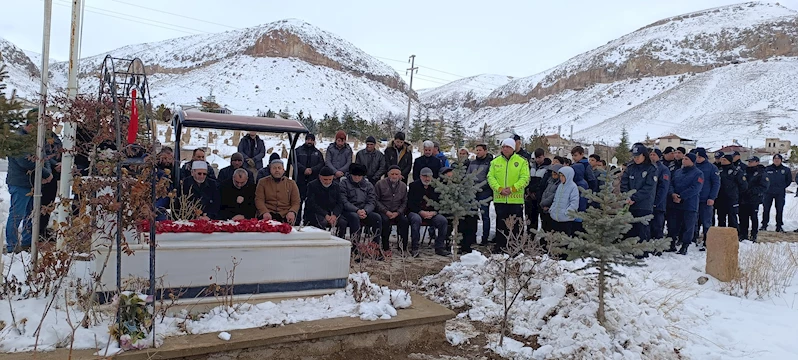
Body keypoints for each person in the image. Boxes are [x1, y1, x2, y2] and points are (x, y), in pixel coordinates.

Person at [5, 124, 53, 252]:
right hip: (20, 183)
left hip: (32, 183)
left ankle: (27, 242)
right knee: (17, 215)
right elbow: (25, 161)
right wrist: (46, 173)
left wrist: (47, 172)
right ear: (30, 125)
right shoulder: (17, 139)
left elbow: (44, 157)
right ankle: (12, 246)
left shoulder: (35, 139)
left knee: (30, 214)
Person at [487, 138, 531, 253]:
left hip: (515, 200)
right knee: (500, 223)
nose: (505, 149)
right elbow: (490, 177)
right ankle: (500, 247)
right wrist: (499, 189)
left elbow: (525, 178)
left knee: (516, 225)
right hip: (500, 199)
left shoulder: (522, 161)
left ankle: (515, 247)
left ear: (513, 148)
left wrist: (513, 189)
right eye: (504, 146)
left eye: (508, 147)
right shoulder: (495, 162)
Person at [407, 167, 450, 257]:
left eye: (429, 176)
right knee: (416, 219)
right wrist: (420, 212)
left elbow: (441, 202)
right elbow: (410, 203)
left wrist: (434, 212)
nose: (427, 178)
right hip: (417, 212)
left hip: (432, 213)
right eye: (424, 176)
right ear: (420, 176)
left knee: (443, 221)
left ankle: (439, 247)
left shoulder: (436, 186)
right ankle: (415, 247)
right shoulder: (413, 186)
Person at [620, 144, 658, 242]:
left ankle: (643, 251)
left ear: (644, 155)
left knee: (642, 228)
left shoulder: (651, 169)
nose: (635, 158)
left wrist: (634, 198)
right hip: (629, 203)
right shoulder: (630, 167)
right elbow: (624, 183)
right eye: (634, 156)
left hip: (644, 204)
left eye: (638, 156)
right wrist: (627, 196)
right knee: (630, 228)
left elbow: (648, 188)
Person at [667, 153, 703, 255]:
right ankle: (671, 244)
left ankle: (685, 246)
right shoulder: (678, 172)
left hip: (689, 204)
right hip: (675, 204)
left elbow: (695, 188)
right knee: (673, 225)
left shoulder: (698, 173)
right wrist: (673, 194)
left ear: (692, 161)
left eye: (686, 159)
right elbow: (671, 184)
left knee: (688, 226)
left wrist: (681, 196)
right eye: (683, 159)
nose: (684, 160)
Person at [337, 163, 381, 244]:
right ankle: (355, 246)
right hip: (348, 211)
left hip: (364, 211)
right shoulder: (344, 183)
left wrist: (365, 211)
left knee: (377, 218)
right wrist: (356, 210)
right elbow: (344, 201)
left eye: (359, 176)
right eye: (355, 175)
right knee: (354, 217)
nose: (357, 177)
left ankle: (376, 246)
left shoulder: (368, 185)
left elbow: (371, 201)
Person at [375, 165, 410, 252]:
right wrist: (385, 211)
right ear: (388, 174)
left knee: (404, 221)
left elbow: (405, 202)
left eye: (396, 174)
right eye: (392, 174)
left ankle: (403, 247)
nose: (394, 176)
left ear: (400, 175)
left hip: (397, 211)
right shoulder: (380, 184)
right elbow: (376, 200)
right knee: (385, 221)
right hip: (383, 211)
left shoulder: (403, 186)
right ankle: (385, 246)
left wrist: (398, 212)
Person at [255, 159, 300, 224]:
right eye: (274, 168)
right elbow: (259, 200)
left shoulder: (291, 183)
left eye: (279, 168)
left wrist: (292, 212)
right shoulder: (262, 182)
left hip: (285, 215)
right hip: (267, 215)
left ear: (283, 170)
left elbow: (296, 202)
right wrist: (264, 212)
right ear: (270, 170)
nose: (277, 170)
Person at [466, 144, 494, 244]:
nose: (478, 152)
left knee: (485, 215)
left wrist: (482, 186)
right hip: (472, 192)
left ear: (485, 151)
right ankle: (471, 237)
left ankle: (484, 238)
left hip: (485, 192)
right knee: (472, 215)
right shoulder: (472, 163)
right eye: (476, 150)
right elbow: (468, 175)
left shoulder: (490, 163)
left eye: (480, 150)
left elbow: (490, 177)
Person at [295, 133, 324, 222]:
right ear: (305, 140)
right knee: (298, 201)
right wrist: (304, 169)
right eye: (308, 139)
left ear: (314, 141)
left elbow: (321, 164)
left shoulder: (318, 153)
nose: (309, 142)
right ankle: (296, 220)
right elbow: (294, 162)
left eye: (311, 140)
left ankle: (307, 221)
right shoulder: (298, 151)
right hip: (300, 180)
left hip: (312, 180)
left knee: (310, 202)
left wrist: (312, 170)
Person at [694, 148, 720, 248]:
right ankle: (694, 239)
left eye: (700, 157)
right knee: (694, 221)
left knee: (706, 222)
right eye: (696, 157)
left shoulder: (712, 168)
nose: (698, 159)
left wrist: (712, 197)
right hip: (694, 199)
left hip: (706, 199)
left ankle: (707, 241)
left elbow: (716, 184)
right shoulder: (693, 166)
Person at [716, 154, 747, 232]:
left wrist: (735, 193)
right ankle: (722, 235)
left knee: (732, 218)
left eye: (724, 160)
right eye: (722, 160)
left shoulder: (736, 172)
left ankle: (734, 236)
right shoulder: (719, 170)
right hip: (720, 198)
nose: (722, 161)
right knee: (721, 218)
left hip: (732, 199)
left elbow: (743, 185)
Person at [740, 157, 768, 241]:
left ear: (757, 162)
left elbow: (764, 186)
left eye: (751, 161)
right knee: (743, 217)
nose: (749, 163)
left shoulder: (761, 173)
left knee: (753, 217)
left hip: (754, 198)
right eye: (749, 161)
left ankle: (753, 235)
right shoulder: (744, 171)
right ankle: (743, 234)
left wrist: (752, 191)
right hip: (744, 198)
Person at [761, 154, 791, 232]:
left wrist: (782, 186)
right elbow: (763, 179)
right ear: (773, 160)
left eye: (778, 159)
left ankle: (779, 226)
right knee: (766, 209)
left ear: (781, 160)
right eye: (775, 159)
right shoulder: (767, 169)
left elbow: (788, 180)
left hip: (780, 193)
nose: (776, 160)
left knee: (779, 209)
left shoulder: (786, 170)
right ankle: (764, 225)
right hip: (768, 192)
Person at [549, 166, 580, 236]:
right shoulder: (560, 186)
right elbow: (555, 199)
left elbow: (574, 202)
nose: (561, 178)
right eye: (560, 176)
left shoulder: (573, 187)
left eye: (563, 176)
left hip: (566, 219)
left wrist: (567, 213)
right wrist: (552, 209)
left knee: (565, 240)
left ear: (568, 176)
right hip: (555, 217)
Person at [649, 148, 671, 240]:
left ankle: (659, 246)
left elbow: (663, 187)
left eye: (654, 155)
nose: (652, 157)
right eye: (651, 154)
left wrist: (656, 201)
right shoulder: (648, 167)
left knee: (657, 225)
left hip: (658, 204)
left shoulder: (663, 169)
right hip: (648, 202)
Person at [527, 148, 549, 231]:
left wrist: (537, 193)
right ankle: (530, 238)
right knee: (531, 219)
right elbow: (528, 180)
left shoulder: (547, 169)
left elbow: (544, 184)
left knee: (543, 220)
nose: (537, 160)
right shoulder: (532, 167)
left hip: (541, 197)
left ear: (543, 156)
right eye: (536, 158)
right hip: (530, 197)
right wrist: (528, 191)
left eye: (539, 157)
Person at [539, 164, 564, 235]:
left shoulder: (560, 184)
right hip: (544, 206)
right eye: (552, 172)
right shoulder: (550, 181)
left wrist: (545, 203)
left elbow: (554, 195)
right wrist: (542, 202)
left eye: (555, 173)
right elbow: (545, 192)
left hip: (551, 208)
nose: (553, 174)